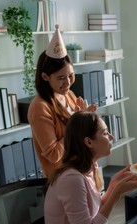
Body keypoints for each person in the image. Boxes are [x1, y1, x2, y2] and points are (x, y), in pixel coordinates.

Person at [30, 111, 137, 224]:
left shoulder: (90, 168)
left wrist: (113, 186)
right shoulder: (72, 179)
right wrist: (116, 194)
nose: (111, 137)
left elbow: (94, 210)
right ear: (88, 142)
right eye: (105, 133)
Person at [28, 24, 97, 178]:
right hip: (63, 178)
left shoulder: (69, 95)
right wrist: (76, 122)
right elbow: (53, 155)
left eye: (71, 75)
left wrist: (86, 119)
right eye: (60, 78)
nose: (67, 83)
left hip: (83, 170)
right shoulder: (40, 107)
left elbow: (81, 137)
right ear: (45, 77)